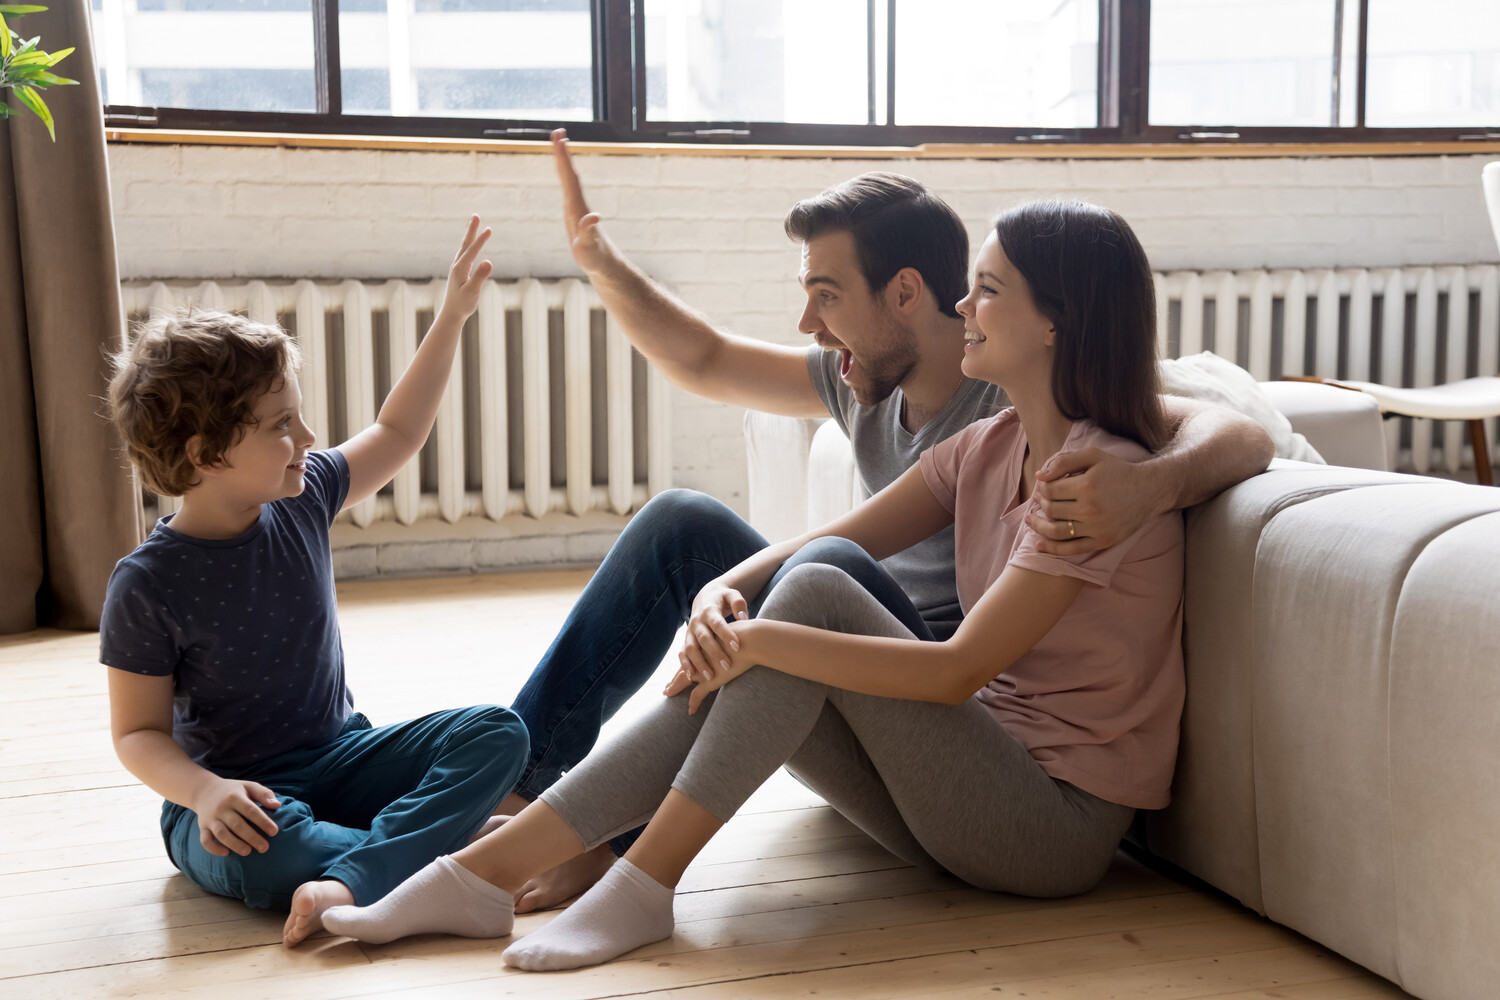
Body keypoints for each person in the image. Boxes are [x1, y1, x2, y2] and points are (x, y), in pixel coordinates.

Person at [320, 198, 1187, 973]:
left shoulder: (1095, 481)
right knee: (799, 579)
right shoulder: (989, 446)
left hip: (1047, 829)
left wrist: (759, 637)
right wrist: (723, 592)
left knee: (802, 599)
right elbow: (834, 539)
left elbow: (957, 670)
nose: (966, 305)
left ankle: (633, 880)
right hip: (961, 786)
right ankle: (483, 874)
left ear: (1054, 326)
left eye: (989, 290)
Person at [490, 131, 1274, 912]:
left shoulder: (1020, 393)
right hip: (904, 679)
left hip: (950, 685)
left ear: (903, 293)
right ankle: (514, 791)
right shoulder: (863, 376)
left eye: (827, 296)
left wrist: (1152, 485)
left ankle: (609, 848)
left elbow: (1228, 426)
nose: (809, 324)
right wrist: (599, 263)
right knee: (683, 524)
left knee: (816, 575)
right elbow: (705, 360)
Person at [100, 217, 529, 948]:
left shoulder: (303, 495)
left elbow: (397, 433)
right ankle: (443, 854)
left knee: (496, 732)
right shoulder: (147, 582)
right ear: (205, 454)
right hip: (234, 798)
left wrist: (451, 317)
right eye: (280, 426)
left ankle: (372, 872)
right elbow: (137, 734)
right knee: (277, 852)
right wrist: (204, 792)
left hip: (340, 755)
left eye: (298, 418)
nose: (306, 439)